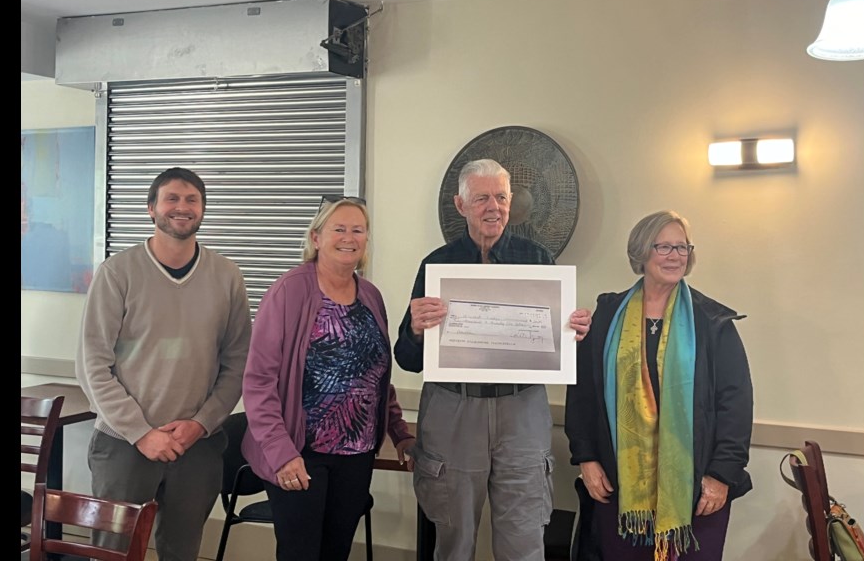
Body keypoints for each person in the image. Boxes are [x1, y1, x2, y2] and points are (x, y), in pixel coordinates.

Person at [394, 158, 592, 561]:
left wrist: (575, 332)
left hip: (522, 410)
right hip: (454, 410)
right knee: (453, 539)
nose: (494, 207)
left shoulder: (538, 260)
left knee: (524, 539)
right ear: (460, 204)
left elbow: (556, 349)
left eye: (501, 197)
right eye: (482, 197)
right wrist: (416, 329)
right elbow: (407, 359)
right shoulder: (437, 265)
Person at [75, 167, 252, 561]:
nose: (182, 207)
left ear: (203, 210)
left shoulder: (227, 277)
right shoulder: (117, 273)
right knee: (112, 553)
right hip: (124, 444)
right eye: (171, 198)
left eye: (192, 200)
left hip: (198, 446)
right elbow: (92, 364)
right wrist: (141, 432)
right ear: (151, 208)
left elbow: (237, 362)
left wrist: (201, 423)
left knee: (182, 552)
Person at [565, 210, 753, 561]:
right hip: (618, 486)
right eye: (664, 246)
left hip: (696, 491)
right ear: (641, 252)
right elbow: (583, 395)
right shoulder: (606, 314)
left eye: (682, 247)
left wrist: (721, 475)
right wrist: (586, 459)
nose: (675, 256)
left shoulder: (713, 322)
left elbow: (736, 404)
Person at [241, 195, 416, 561]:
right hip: (299, 453)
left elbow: (375, 374)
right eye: (339, 229)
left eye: (358, 230)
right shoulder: (289, 290)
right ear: (316, 237)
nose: (349, 237)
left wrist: (400, 433)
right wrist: (281, 454)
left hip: (357, 454)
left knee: (335, 553)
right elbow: (259, 381)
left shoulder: (370, 296)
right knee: (301, 554)